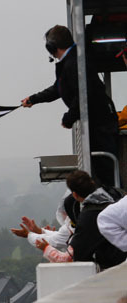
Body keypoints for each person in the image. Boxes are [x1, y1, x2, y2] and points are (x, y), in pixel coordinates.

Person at [21, 25, 119, 186]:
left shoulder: (73, 63)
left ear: (51, 47)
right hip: (98, 123)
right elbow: (59, 88)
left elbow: (83, 94)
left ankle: (117, 203)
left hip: (100, 124)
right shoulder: (71, 61)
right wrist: (33, 99)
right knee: (102, 168)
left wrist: (69, 118)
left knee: (106, 169)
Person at [35, 171, 126, 269]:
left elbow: (69, 258)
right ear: (92, 182)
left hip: (117, 269)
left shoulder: (89, 218)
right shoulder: (118, 193)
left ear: (75, 195)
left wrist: (46, 248)